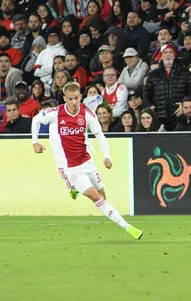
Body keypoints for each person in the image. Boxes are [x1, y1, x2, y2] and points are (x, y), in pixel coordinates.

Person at [31, 81, 143, 240]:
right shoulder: (55, 113)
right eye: (69, 99)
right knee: (96, 197)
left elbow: (99, 135)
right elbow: (35, 119)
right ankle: (128, 227)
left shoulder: (87, 113)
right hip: (70, 168)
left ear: (80, 96)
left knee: (103, 196)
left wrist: (107, 156)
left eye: (76, 98)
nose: (73, 102)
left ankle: (74, 189)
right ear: (64, 98)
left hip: (87, 162)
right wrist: (34, 142)